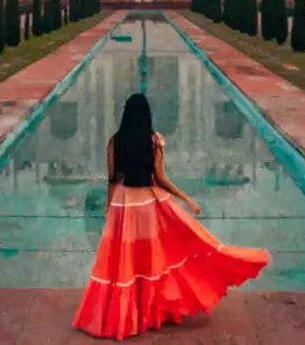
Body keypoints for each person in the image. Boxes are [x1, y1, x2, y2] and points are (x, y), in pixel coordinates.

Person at [72, 93, 269, 340]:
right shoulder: (154, 141)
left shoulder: (115, 142)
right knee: (149, 262)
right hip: (146, 204)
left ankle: (127, 316)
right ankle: (149, 313)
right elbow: (160, 179)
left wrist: (109, 210)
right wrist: (186, 199)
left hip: (124, 204)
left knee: (126, 264)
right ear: (146, 116)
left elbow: (112, 179)